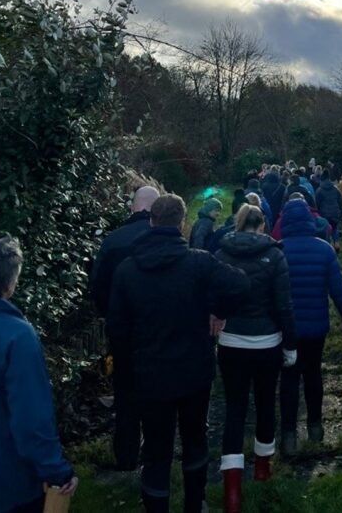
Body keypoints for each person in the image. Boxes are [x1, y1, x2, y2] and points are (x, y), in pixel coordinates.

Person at [107, 194, 251, 513]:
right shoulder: (198, 263)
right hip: (193, 373)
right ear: (182, 223)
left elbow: (116, 330)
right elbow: (240, 286)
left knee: (156, 450)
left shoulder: (128, 271)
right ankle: (194, 504)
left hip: (150, 375)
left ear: (152, 221)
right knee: (195, 440)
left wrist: (127, 375)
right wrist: (219, 310)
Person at [0, 237, 78, 513]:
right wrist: (56, 471)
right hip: (6, 486)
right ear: (10, 285)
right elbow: (30, 418)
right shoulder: (16, 335)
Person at [215, 204, 297, 513]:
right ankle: (262, 467)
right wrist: (290, 345)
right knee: (265, 404)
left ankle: (232, 492)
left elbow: (216, 298)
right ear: (262, 225)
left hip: (232, 342)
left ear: (238, 223)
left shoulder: (221, 255)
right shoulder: (275, 256)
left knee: (234, 410)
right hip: (266, 342)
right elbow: (284, 306)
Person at [278, 201, 342, 456]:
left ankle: (289, 435)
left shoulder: (278, 250)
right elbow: (339, 291)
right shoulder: (324, 250)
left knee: (289, 379)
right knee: (313, 374)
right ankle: (315, 426)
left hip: (287, 330)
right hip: (316, 328)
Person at [90, 185, 160, 469]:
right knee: (157, 393)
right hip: (158, 331)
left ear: (133, 206)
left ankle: (127, 455)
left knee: (125, 394)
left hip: (122, 331)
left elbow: (97, 287)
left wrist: (111, 314)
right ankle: (156, 453)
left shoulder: (112, 241)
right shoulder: (166, 239)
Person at [315, 170, 342, 249]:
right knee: (335, 228)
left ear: (322, 180)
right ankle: (337, 244)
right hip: (335, 213)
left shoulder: (319, 190)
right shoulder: (336, 189)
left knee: (326, 230)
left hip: (324, 214)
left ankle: (328, 247)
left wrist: (317, 214)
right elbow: (340, 202)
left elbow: (316, 204)